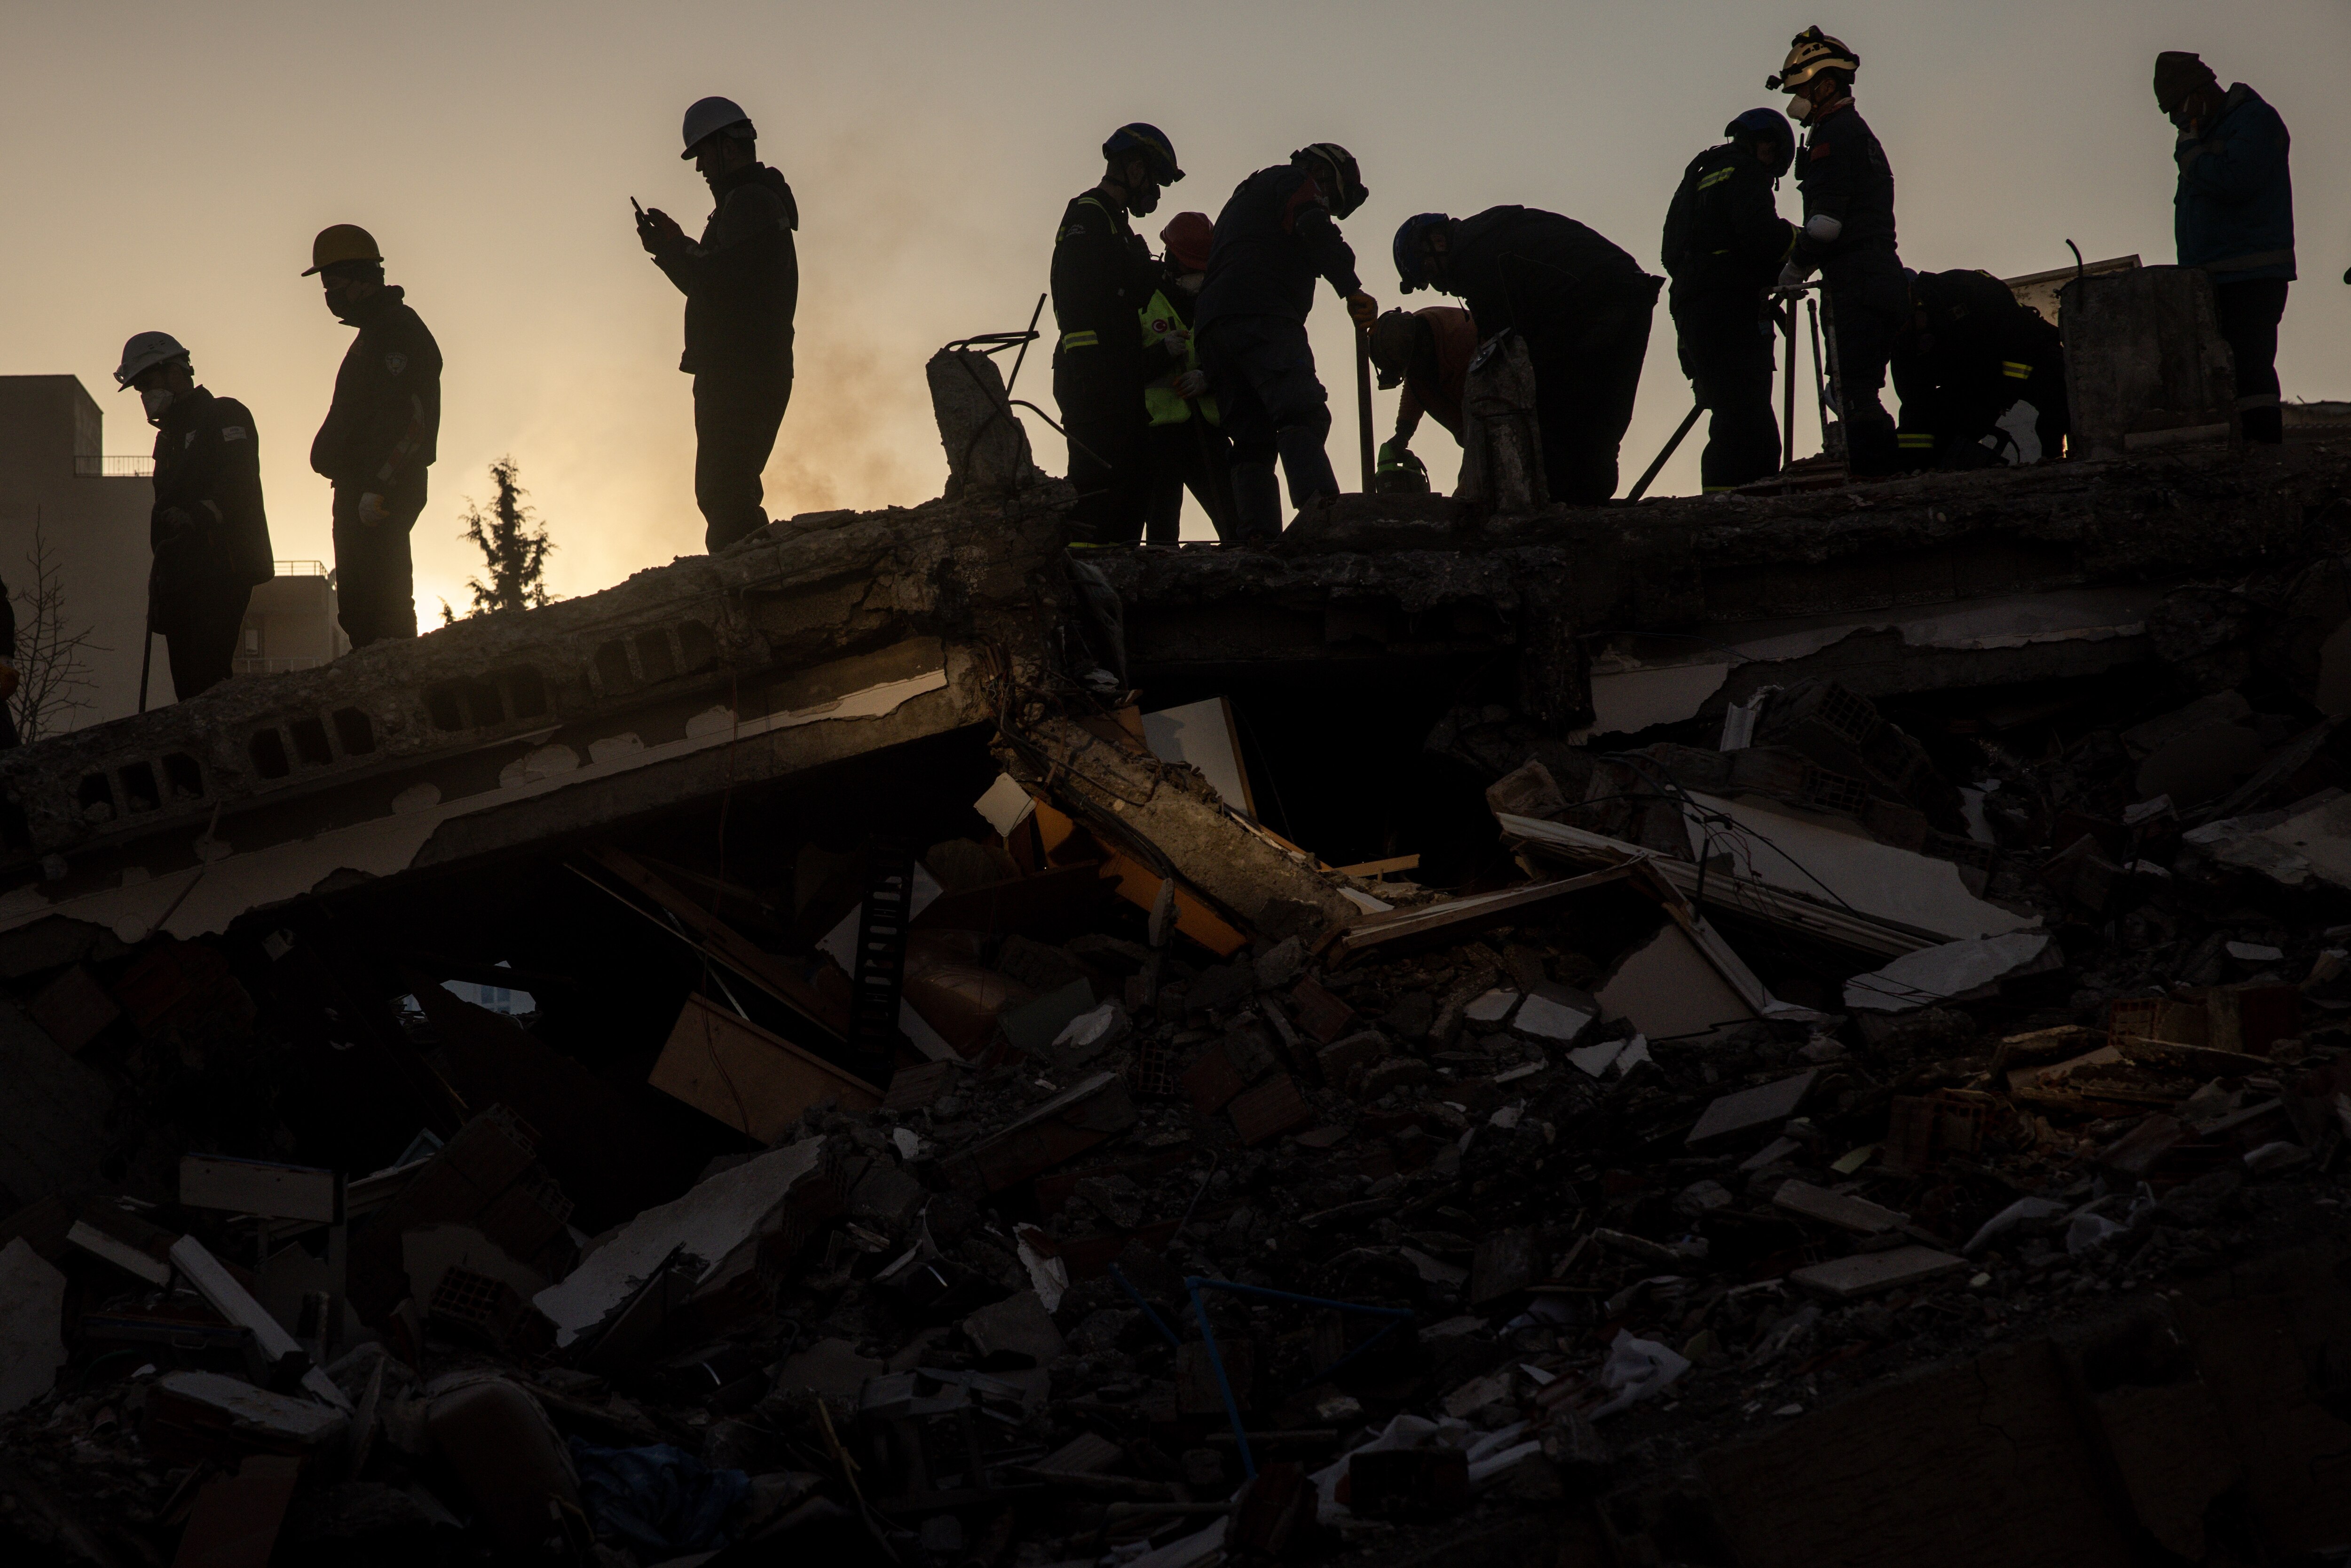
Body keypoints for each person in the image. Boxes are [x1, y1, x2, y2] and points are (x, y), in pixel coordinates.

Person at [1393, 207, 1660, 504]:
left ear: (1438, 241)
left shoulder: (1477, 259)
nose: (1439, 287)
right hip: (1629, 292)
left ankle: (1574, 516)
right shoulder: (1486, 239)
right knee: (1598, 427)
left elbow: (1503, 356)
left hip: (1595, 306)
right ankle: (1586, 510)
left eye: (1430, 272)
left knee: (1556, 427)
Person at [638, 96, 800, 552]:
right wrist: (669, 248)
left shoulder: (749, 202)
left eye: (703, 155)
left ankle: (754, 590)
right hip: (744, 367)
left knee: (724, 489)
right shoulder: (746, 205)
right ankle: (753, 583)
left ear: (729, 147)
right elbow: (715, 283)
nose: (700, 168)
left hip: (740, 370)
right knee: (727, 486)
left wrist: (674, 247)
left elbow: (718, 283)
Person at [1195, 144, 1378, 539]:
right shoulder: (1295, 181)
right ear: (1321, 171)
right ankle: (1323, 518)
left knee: (1251, 439)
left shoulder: (1244, 200)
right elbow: (1314, 228)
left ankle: (1258, 541)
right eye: (1331, 198)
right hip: (1262, 316)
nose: (1328, 205)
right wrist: (1351, 289)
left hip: (1213, 328)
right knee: (1302, 413)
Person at [1768, 27, 1904, 476]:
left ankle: (1878, 487)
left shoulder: (1834, 134)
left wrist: (1793, 270)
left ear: (1826, 85)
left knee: (1853, 394)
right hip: (1880, 274)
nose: (1797, 102)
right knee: (1858, 388)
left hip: (1857, 280)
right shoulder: (1859, 133)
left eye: (1803, 89)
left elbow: (1825, 226)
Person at [114, 332, 273, 699]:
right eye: (140, 390)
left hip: (222, 568)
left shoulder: (224, 414)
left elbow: (238, 480)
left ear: (176, 372)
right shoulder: (168, 438)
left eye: (149, 384)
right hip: (181, 577)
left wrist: (199, 515)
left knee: (208, 678)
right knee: (188, 689)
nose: (146, 396)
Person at [305, 225, 440, 649]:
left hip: (379, 491)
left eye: (333, 282)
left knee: (384, 601)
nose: (328, 294)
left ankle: (398, 682)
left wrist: (378, 485)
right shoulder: (375, 334)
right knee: (360, 604)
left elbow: (411, 421)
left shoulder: (398, 331)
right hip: (359, 488)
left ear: (361, 278)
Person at [1050, 124, 1183, 549]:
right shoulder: (1089, 215)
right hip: (1092, 373)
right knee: (1098, 481)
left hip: (1116, 372)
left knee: (1136, 477)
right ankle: (1086, 578)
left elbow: (1120, 290)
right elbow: (1079, 295)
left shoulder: (1116, 226)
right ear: (1135, 167)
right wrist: (1093, 367)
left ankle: (1116, 575)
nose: (1157, 193)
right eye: (1156, 181)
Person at [2155, 51, 2294, 444]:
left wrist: (2191, 153)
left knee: (2252, 368)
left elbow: (2235, 181)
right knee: (2223, 373)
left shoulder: (2253, 121)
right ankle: (2242, 454)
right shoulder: (2206, 136)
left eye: (2176, 107)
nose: (2175, 119)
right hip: (2214, 276)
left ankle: (2264, 454)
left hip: (2251, 275)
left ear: (2199, 93)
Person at [1662, 109, 1797, 492]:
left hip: (1691, 309)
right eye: (1774, 160)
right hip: (1730, 309)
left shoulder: (1698, 176)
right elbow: (1761, 237)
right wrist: (1799, 241)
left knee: (1728, 409)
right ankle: (1750, 503)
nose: (1771, 169)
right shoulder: (1747, 171)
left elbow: (1670, 254)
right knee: (1748, 415)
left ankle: (1727, 500)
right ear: (1766, 144)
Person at [1890, 269, 2069, 467]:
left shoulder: (1962, 286)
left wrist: (2001, 397)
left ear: (1914, 296)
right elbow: (1915, 406)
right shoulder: (1902, 345)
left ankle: (2056, 459)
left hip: (2028, 355)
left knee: (2064, 394)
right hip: (1975, 379)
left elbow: (2020, 339)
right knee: (1943, 426)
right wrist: (1916, 466)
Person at [1138, 212, 1236, 544]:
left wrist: (1208, 377)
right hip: (1158, 434)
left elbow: (1238, 358)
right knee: (1161, 528)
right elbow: (1121, 371)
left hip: (1207, 429)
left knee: (1234, 519)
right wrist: (1161, 353)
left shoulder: (1218, 301)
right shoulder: (1141, 301)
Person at [1366, 305, 1477, 490]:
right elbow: (1416, 385)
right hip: (1474, 433)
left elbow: (1484, 422)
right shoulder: (1416, 336)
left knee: (1474, 490)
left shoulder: (1462, 339)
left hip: (1498, 416)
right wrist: (1403, 432)